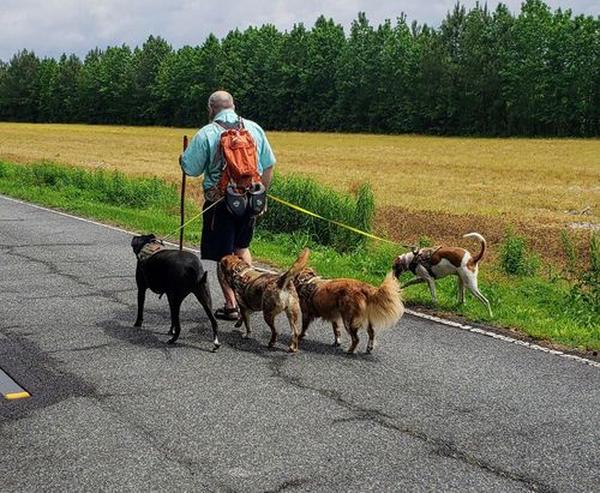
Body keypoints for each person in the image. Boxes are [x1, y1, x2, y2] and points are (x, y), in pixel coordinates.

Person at [180, 90, 276, 320]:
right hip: (251, 199)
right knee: (242, 248)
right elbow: (269, 165)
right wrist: (261, 195)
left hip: (220, 203)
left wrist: (182, 158)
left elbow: (191, 169)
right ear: (233, 105)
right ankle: (249, 298)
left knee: (224, 256)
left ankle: (232, 305)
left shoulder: (207, 133)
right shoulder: (254, 128)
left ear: (210, 109)